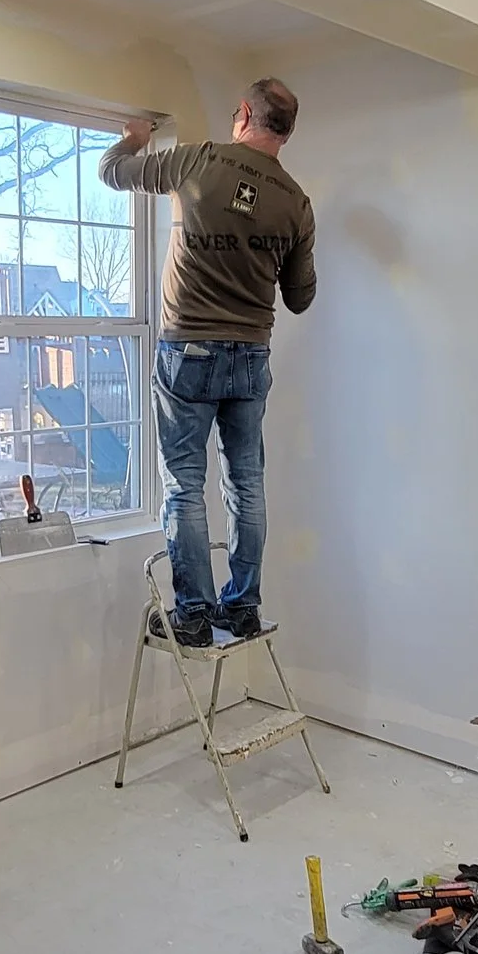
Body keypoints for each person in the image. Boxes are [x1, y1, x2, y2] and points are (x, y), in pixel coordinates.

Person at [98, 78, 316, 647]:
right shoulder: (294, 202)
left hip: (188, 351)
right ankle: (242, 607)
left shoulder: (198, 160)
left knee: (184, 486)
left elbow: (113, 173)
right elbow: (299, 297)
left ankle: (192, 615)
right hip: (251, 357)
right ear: (285, 133)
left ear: (243, 114)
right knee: (246, 484)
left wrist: (133, 139)